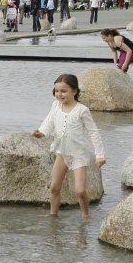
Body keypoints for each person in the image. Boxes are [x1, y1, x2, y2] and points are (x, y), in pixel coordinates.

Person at [32, 73, 105, 220]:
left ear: (74, 91)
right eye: (57, 91)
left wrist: (100, 155)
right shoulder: (56, 105)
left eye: (63, 91)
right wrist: (41, 132)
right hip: (62, 152)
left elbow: (93, 132)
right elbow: (49, 121)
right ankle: (53, 216)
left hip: (79, 154)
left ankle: (85, 216)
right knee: (54, 187)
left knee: (80, 190)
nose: (59, 94)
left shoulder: (82, 110)